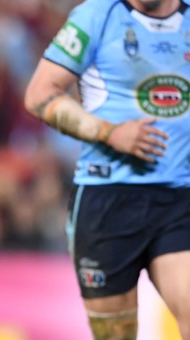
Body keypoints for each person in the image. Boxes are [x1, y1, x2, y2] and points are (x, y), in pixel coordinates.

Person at [24, 0, 190, 338]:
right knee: (115, 333)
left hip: (179, 196)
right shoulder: (96, 15)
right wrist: (109, 133)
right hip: (108, 199)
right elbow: (39, 94)